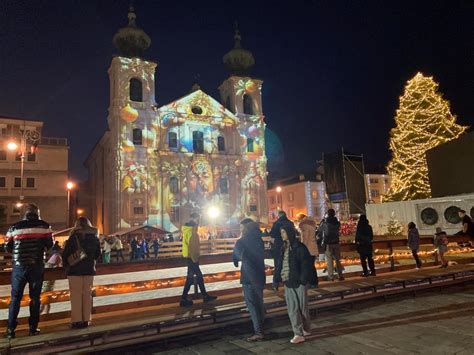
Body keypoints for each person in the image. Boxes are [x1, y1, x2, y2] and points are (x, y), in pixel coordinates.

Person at [4, 204, 53, 339]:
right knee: (35, 298)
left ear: (24, 214)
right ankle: (32, 328)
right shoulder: (44, 226)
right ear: (37, 213)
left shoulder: (14, 227)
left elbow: (7, 247)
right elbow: (50, 245)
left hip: (19, 267)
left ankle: (10, 330)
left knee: (15, 298)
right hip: (37, 265)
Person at [275, 224, 317, 344]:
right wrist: (277, 279)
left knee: (302, 307)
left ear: (290, 233)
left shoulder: (299, 247)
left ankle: (305, 329)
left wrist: (303, 280)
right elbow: (280, 264)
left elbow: (306, 264)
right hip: (288, 280)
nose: (282, 235)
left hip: (298, 281)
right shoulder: (284, 247)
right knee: (293, 308)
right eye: (281, 232)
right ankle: (298, 333)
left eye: (284, 232)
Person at [62, 217, 101, 329]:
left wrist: (66, 265)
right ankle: (86, 320)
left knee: (75, 296)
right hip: (89, 269)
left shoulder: (73, 237)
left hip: (75, 270)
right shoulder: (94, 237)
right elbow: (98, 254)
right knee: (87, 295)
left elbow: (65, 254)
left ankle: (77, 321)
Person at [233, 219, 266, 342]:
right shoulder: (259, 240)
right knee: (259, 303)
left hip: (248, 277)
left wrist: (236, 259)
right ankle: (261, 328)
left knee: (252, 305)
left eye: (241, 228)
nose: (240, 230)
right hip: (260, 276)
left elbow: (236, 256)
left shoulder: (241, 241)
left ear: (245, 228)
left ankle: (258, 332)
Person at [180, 212, 217, 307]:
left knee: (192, 278)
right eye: (199, 219)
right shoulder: (192, 230)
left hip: (189, 257)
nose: (199, 221)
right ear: (196, 219)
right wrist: (195, 258)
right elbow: (193, 246)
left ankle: (188, 298)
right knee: (197, 277)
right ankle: (188, 298)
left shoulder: (187, 230)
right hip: (192, 258)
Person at [269, 211, 295, 290]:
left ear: (279, 215)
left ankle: (275, 284)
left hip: (278, 246)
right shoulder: (290, 223)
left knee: (278, 265)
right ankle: (289, 282)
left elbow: (272, 234)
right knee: (289, 263)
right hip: (289, 245)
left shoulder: (276, 223)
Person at [320, 209, 344, 281]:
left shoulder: (325, 223)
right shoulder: (337, 223)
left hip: (328, 243)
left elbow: (320, 230)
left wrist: (322, 222)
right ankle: (340, 275)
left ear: (328, 214)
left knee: (329, 261)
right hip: (336, 242)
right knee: (337, 260)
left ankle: (331, 276)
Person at [297, 214, 318, 287]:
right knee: (311, 266)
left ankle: (311, 283)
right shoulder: (311, 224)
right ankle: (314, 282)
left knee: (308, 267)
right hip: (313, 247)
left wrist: (302, 247)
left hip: (308, 248)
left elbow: (305, 238)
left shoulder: (305, 226)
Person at [40, 248, 62, 315]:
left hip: (45, 286)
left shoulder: (48, 265)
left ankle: (44, 315)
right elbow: (60, 266)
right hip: (47, 287)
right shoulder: (53, 265)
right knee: (45, 302)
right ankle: (44, 315)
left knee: (45, 302)